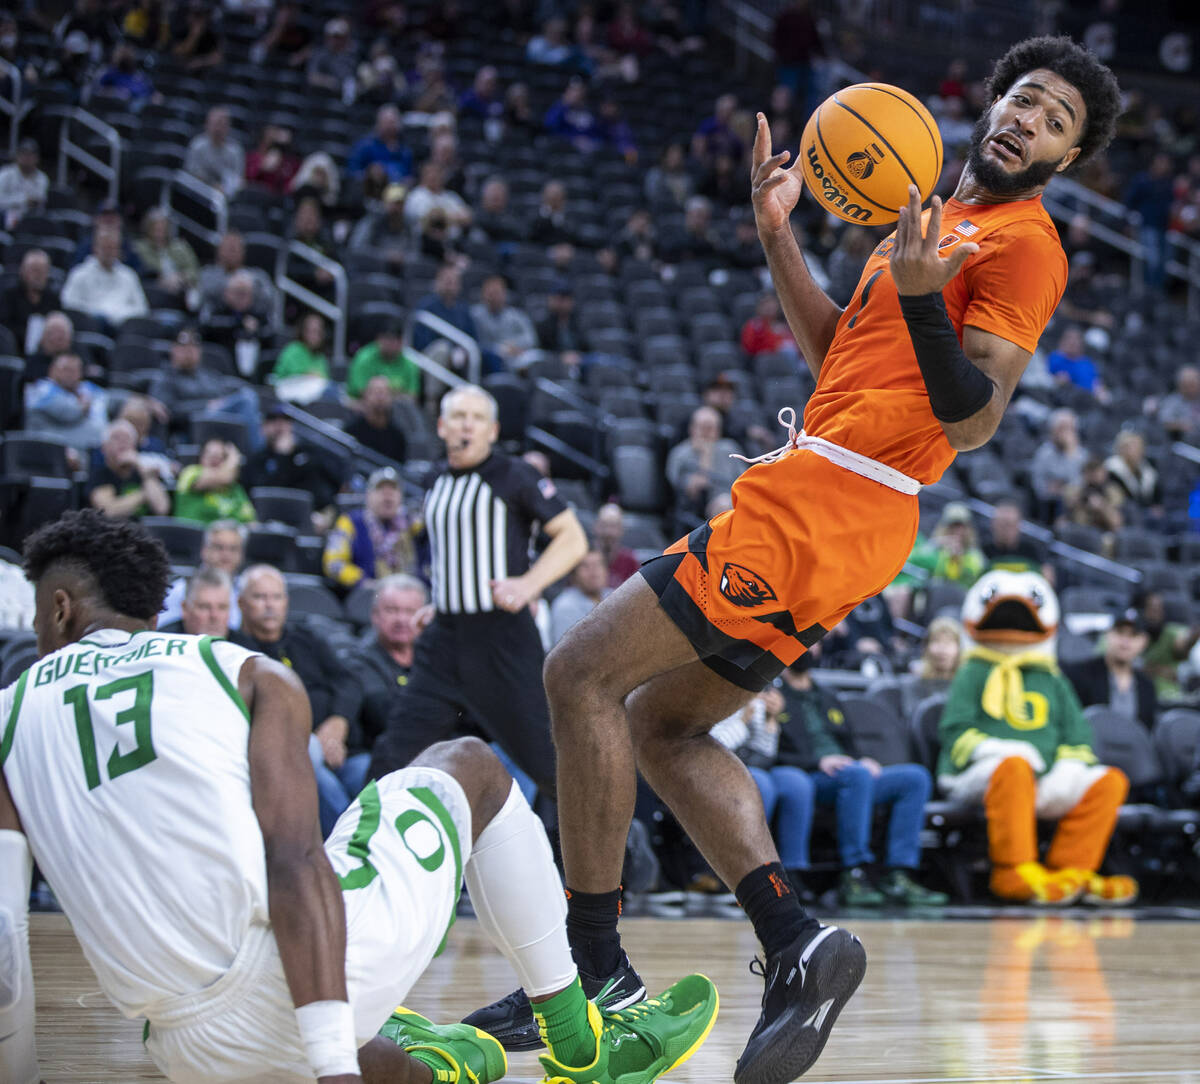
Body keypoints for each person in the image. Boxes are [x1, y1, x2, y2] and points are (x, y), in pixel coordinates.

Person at [466, 33, 1123, 1078]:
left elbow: (976, 420)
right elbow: (836, 361)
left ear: (1065, 159)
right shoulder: (924, 222)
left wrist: (917, 290)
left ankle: (590, 972)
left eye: (1055, 123)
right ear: (992, 98)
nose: (1027, 122)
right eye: (1025, 99)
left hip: (829, 506)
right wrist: (780, 236)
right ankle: (796, 945)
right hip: (829, 497)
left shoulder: (1023, 244)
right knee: (661, 725)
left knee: (578, 671)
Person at [0, 509, 717, 1084]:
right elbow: (294, 862)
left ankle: (414, 1056)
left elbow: (4, 946)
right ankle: (584, 1049)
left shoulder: (8, 716)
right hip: (296, 992)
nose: (36, 628)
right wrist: (334, 1065)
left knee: (298, 1031)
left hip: (183, 1053)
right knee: (470, 764)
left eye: (35, 616)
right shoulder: (236, 669)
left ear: (60, 607)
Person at [369, 385, 586, 799]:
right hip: (444, 640)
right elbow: (456, 551)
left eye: (477, 418)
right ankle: (358, 856)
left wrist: (528, 584)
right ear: (441, 426)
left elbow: (573, 538)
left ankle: (622, 862)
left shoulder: (515, 475)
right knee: (392, 757)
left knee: (553, 766)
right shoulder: (434, 479)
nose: (467, 425)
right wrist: (444, 599)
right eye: (458, 416)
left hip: (502, 638)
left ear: (493, 430)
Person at [768, 654, 948, 907]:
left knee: (915, 778)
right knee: (857, 775)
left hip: (848, 773)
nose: (809, 648)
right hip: (809, 776)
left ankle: (899, 873)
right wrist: (816, 762)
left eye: (814, 643)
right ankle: (854, 872)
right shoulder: (775, 696)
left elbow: (848, 744)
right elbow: (771, 752)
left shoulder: (827, 695)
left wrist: (861, 758)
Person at [341, 574, 427, 747]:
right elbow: (384, 714)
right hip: (375, 754)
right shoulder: (358, 658)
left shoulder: (433, 656)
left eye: (410, 611)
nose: (401, 620)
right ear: (375, 615)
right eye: (392, 610)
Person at [323, 467, 423, 592]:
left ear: (401, 496)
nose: (388, 495)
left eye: (393, 489)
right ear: (368, 495)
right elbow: (333, 563)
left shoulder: (412, 524)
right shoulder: (350, 522)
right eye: (381, 489)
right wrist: (363, 582)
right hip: (366, 598)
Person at [1063, 608, 1157, 731]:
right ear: (1108, 634)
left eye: (1133, 635)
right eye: (1120, 632)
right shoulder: (1078, 675)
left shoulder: (1147, 687)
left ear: (1144, 641)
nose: (1125, 642)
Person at [664, 406, 744, 531]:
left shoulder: (729, 448)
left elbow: (744, 479)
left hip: (735, 499)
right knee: (725, 505)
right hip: (701, 508)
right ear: (692, 428)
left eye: (711, 428)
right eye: (702, 427)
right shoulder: (680, 453)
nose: (706, 433)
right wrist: (705, 456)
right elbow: (687, 490)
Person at [159, 519, 246, 630]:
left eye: (233, 549)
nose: (226, 555)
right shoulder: (181, 589)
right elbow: (164, 630)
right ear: (204, 550)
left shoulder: (246, 591)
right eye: (219, 547)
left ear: (242, 555)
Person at [61, 227, 149, 329]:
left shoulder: (129, 276)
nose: (109, 252)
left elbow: (142, 309)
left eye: (113, 248)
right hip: (90, 325)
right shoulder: (80, 273)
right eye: (105, 247)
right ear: (95, 248)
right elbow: (69, 303)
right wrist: (94, 313)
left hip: (122, 327)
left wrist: (117, 316)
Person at [87, 419, 172, 519]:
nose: (122, 442)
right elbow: (109, 511)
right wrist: (144, 494)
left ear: (135, 446)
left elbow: (162, 509)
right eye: (116, 438)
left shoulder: (144, 473)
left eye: (127, 438)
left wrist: (142, 468)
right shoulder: (99, 475)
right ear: (104, 448)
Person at [24, 352, 108, 448]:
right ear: (52, 371)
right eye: (66, 369)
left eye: (75, 370)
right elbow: (69, 412)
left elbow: (108, 398)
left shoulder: (87, 389)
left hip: (85, 445)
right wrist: (82, 407)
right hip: (46, 445)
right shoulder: (41, 389)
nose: (70, 374)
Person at [173, 437, 257, 525]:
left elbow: (251, 522)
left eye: (219, 457)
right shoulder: (191, 473)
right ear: (201, 457)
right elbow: (225, 478)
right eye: (209, 455)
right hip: (193, 536)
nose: (213, 460)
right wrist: (233, 458)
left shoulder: (235, 488)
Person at [1030, 408, 1087, 522]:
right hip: (1050, 508)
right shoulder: (1044, 454)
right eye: (1062, 428)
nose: (1066, 433)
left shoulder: (1081, 454)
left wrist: (1070, 452)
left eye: (1070, 428)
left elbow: (1081, 485)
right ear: (1053, 431)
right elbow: (1039, 488)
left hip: (1078, 506)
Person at [132, 207, 200, 301]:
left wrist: (181, 277)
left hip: (182, 286)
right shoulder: (139, 248)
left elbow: (194, 271)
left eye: (163, 228)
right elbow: (145, 271)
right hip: (155, 288)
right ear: (148, 229)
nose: (160, 232)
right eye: (156, 228)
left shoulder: (181, 247)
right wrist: (163, 279)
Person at [0, 250, 59, 356]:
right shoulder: (9, 296)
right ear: (23, 271)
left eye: (42, 271)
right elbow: (5, 328)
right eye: (34, 271)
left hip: (46, 353)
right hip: (15, 349)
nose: (38, 276)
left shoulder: (53, 299)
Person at [550, 548, 610, 644]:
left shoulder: (617, 595)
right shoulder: (564, 606)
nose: (593, 571)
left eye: (598, 564)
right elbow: (566, 655)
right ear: (574, 575)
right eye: (585, 566)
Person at [346, 323, 420, 400]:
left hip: (398, 406)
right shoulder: (364, 358)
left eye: (392, 340)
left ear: (401, 342)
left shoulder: (409, 363)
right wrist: (386, 394)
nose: (388, 344)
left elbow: (412, 396)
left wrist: (385, 395)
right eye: (386, 339)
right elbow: (359, 390)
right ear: (378, 339)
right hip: (363, 405)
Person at [184, 106, 244, 197]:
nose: (218, 129)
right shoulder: (197, 145)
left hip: (225, 196)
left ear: (228, 127)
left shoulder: (235, 151)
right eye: (215, 124)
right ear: (207, 125)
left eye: (222, 125)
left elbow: (237, 180)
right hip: (198, 193)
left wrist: (224, 188)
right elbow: (190, 174)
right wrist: (212, 186)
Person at [345, 376, 408, 463]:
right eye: (375, 392)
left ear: (391, 398)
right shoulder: (350, 432)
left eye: (384, 393)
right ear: (365, 396)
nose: (380, 398)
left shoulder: (398, 436)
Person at [927, 502, 986, 587]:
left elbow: (974, 576)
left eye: (961, 527)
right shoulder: (934, 548)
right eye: (953, 526)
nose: (958, 531)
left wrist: (958, 559)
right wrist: (939, 545)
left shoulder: (974, 554)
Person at [982, 499, 1048, 575]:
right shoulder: (983, 549)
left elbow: (1046, 575)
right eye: (1001, 525)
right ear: (992, 525)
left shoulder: (1031, 550)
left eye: (1009, 525)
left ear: (1018, 526)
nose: (1005, 530)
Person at [170, 565, 233, 637]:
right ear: (185, 609)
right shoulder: (163, 643)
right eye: (205, 607)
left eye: (222, 607)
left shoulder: (244, 646)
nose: (214, 616)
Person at [0, 139, 48, 229]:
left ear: (37, 158)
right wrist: (23, 200)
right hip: (5, 215)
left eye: (30, 155)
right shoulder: (5, 173)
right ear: (17, 156)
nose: (27, 158)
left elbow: (39, 202)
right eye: (24, 154)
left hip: (29, 218)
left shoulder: (42, 178)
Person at [593, 503, 640, 588]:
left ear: (621, 530)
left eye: (613, 526)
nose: (608, 532)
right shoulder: (584, 557)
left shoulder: (630, 561)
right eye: (604, 525)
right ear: (596, 527)